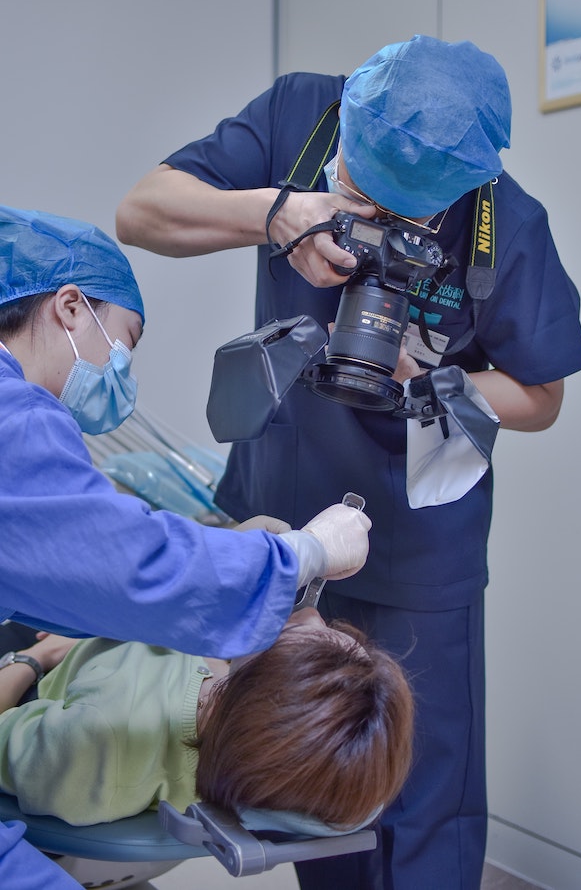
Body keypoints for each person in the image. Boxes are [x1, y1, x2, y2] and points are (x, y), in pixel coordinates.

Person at [116, 34, 581, 890]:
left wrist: (438, 378)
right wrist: (277, 212)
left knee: (425, 799)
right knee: (316, 781)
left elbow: (542, 395)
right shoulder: (303, 113)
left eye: (399, 213)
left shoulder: (504, 221)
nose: (369, 213)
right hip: (284, 522)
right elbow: (144, 212)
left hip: (420, 543)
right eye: (356, 189)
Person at [0, 203, 371, 889]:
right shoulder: (12, 423)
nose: (121, 370)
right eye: (127, 342)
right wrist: (302, 556)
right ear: (71, 308)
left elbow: (95, 555)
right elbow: (124, 564)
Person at [0, 608, 413, 831]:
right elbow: (362, 806)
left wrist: (35, 658)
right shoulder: (233, 706)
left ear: (262, 701)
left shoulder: (99, 736)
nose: (310, 615)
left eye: (308, 641)